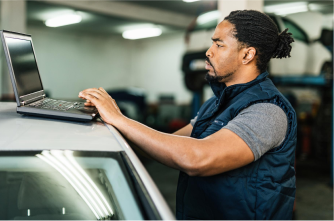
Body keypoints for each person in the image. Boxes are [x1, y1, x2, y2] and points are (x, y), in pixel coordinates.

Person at [79, 10, 296, 221]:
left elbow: (197, 158)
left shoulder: (267, 110)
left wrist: (120, 120)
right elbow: (168, 145)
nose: (209, 52)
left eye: (219, 45)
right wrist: (108, 124)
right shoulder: (215, 104)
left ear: (247, 54)